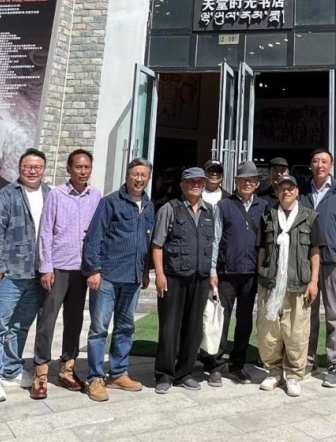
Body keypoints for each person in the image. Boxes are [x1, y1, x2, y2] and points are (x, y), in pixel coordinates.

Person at [81, 158, 156, 402]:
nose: (139, 179)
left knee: (125, 327)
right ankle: (95, 377)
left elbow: (146, 242)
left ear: (148, 178)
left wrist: (144, 272)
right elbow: (94, 237)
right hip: (108, 276)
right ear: (127, 175)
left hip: (132, 277)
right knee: (99, 328)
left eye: (144, 175)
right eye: (136, 174)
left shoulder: (149, 206)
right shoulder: (110, 202)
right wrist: (93, 270)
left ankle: (118, 373)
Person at [0, 148, 50, 403]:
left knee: (20, 326)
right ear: (20, 168)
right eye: (27, 166)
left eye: (37, 167)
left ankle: (11, 370)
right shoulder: (7, 194)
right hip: (9, 273)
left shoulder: (50, 194)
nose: (32, 171)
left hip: (36, 274)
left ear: (44, 169)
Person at [31, 149, 102, 399]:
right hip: (58, 267)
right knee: (47, 319)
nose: (83, 171)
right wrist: (46, 267)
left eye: (87, 167)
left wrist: (95, 267)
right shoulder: (56, 195)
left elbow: (98, 232)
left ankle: (67, 369)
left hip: (81, 269)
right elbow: (45, 231)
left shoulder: (96, 196)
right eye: (78, 167)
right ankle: (40, 372)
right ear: (69, 169)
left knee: (75, 320)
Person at [203, 160, 270, 386]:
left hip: (251, 273)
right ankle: (215, 364)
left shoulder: (264, 207)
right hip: (226, 272)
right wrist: (213, 270)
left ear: (257, 183)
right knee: (221, 319)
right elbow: (216, 238)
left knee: (244, 321)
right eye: (243, 180)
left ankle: (237, 365)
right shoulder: (224, 205)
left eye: (251, 180)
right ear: (236, 182)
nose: (247, 184)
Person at [152, 167, 216, 394]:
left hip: (200, 278)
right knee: (169, 327)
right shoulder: (169, 209)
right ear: (182, 185)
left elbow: (214, 244)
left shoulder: (210, 211)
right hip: (174, 277)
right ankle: (164, 374)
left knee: (194, 328)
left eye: (200, 181)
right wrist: (159, 274)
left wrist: (213, 275)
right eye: (191, 181)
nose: (196, 185)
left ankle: (185, 373)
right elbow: (157, 245)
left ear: (204, 185)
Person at [256, 175, 321, 397]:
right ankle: (273, 372)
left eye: (290, 188)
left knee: (296, 333)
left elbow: (315, 251)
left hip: (298, 284)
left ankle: (294, 375)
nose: (286, 192)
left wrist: (314, 281)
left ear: (297, 193)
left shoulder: (310, 217)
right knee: (269, 332)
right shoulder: (268, 217)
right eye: (282, 188)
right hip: (271, 284)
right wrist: (261, 273)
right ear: (276, 193)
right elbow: (262, 248)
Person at [299, 148, 336, 387]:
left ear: (331, 166)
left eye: (324, 161)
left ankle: (335, 364)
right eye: (316, 161)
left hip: (333, 261)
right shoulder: (302, 191)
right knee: (308, 313)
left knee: (334, 314)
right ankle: (308, 360)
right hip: (306, 261)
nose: (320, 165)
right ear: (310, 165)